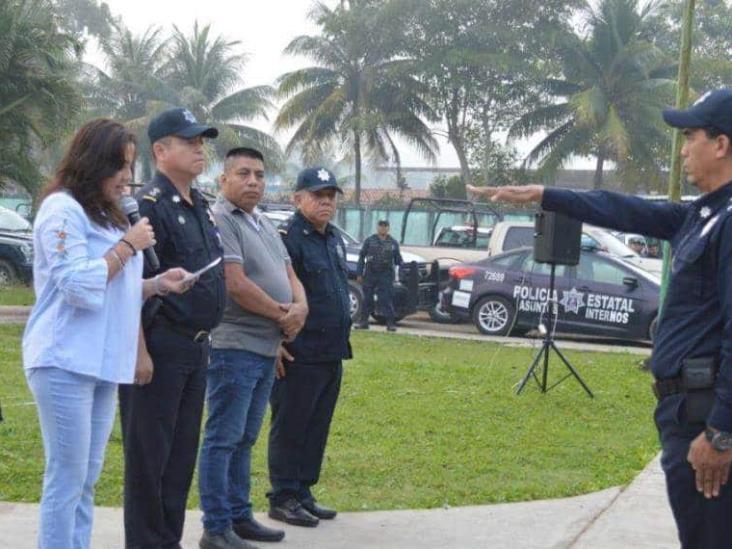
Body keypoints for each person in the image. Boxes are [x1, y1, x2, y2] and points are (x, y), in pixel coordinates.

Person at [468, 88, 732, 549]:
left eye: (690, 136)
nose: (683, 149)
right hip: (684, 409)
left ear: (722, 144)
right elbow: (627, 209)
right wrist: (546, 194)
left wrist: (721, 432)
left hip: (704, 415)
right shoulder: (703, 214)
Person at [22, 118, 194, 549]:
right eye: (120, 166)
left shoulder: (109, 215)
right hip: (64, 359)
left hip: (100, 363)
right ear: (93, 161)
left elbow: (111, 287)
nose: (126, 178)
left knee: (86, 478)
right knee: (67, 477)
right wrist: (128, 246)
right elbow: (80, 286)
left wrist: (156, 284)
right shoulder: (62, 209)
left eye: (130, 166)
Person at [118, 107, 226, 549]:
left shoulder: (199, 204)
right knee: (149, 458)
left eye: (201, 140)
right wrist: (139, 351)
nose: (200, 148)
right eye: (189, 141)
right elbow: (129, 289)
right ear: (161, 151)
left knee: (180, 457)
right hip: (158, 346)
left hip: (195, 349)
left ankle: (168, 540)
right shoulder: (148, 208)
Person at [198, 147, 308, 549]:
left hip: (264, 347)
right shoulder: (221, 219)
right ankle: (216, 526)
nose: (253, 182)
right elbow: (235, 284)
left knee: (245, 438)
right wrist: (285, 315)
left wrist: (302, 306)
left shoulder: (261, 221)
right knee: (222, 438)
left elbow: (289, 272)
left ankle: (240, 517)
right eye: (243, 173)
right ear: (223, 179)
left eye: (259, 175)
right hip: (234, 345)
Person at [267, 167, 351, 527]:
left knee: (317, 424)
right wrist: (272, 341)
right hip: (297, 351)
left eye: (331, 196)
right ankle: (283, 495)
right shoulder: (286, 238)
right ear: (297, 198)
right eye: (318, 195)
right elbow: (271, 291)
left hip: (330, 350)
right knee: (292, 423)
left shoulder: (333, 238)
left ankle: (303, 490)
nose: (326, 202)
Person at [355, 219, 403, 331]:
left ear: (388, 228)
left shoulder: (393, 243)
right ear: (377, 227)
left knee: (386, 299)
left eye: (385, 226)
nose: (383, 228)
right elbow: (362, 257)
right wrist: (359, 273)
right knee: (367, 299)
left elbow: (398, 260)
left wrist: (401, 271)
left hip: (386, 274)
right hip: (370, 273)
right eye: (381, 226)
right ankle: (363, 322)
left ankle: (390, 324)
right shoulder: (370, 240)